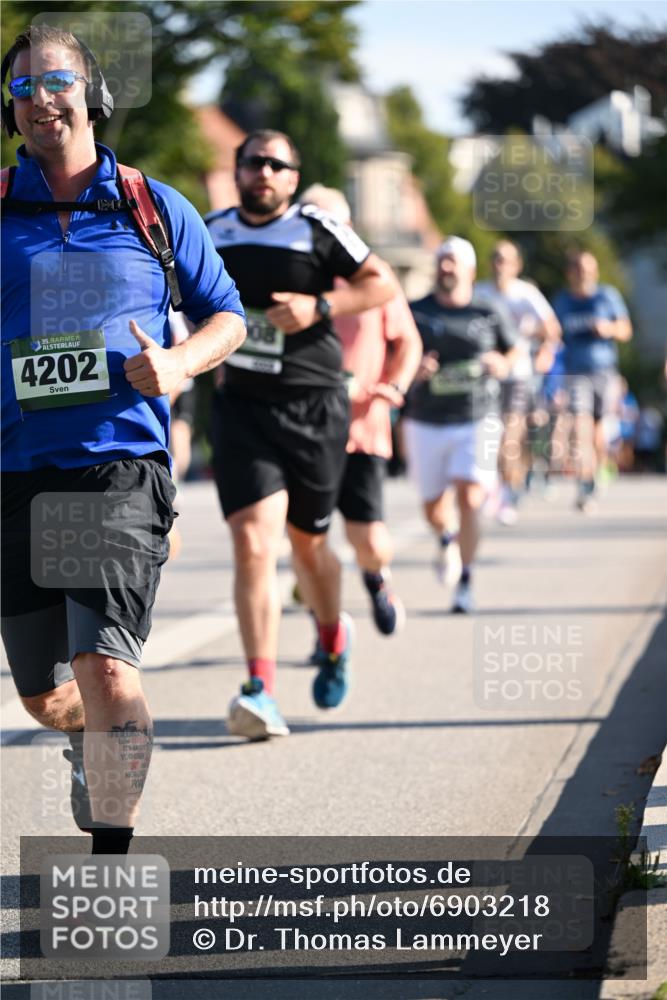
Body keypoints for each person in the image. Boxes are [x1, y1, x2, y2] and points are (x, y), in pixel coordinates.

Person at [0, 25, 245, 852]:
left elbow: (228, 317)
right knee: (46, 693)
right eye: (23, 88)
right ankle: (79, 738)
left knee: (105, 664)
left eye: (55, 81)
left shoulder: (153, 207)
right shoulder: (0, 205)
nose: (41, 100)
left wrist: (179, 363)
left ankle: (110, 861)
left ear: (91, 92)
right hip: (14, 469)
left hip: (116, 465)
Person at [205, 131, 396, 740]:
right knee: (254, 542)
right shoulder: (209, 231)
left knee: (309, 547)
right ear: (235, 172)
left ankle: (333, 637)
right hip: (242, 408)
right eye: (251, 162)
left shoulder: (316, 227)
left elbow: (382, 283)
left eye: (275, 164)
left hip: (315, 407)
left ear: (293, 175)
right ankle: (259, 687)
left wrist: (319, 306)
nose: (262, 171)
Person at [298, 184, 422, 637]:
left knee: (368, 540)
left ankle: (375, 577)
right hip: (303, 428)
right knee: (306, 544)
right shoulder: (294, 276)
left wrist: (395, 383)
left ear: (347, 227)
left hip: (362, 426)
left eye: (328, 223)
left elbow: (407, 341)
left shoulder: (375, 276)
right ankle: (324, 630)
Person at [404, 237, 519, 613]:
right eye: (442, 261)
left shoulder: (488, 310)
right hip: (426, 418)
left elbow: (512, 349)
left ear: (469, 270)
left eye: (453, 262)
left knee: (470, 496)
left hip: (478, 417)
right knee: (432, 507)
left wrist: (502, 364)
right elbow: (397, 352)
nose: (446, 268)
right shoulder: (416, 310)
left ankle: (466, 581)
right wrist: (415, 369)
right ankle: (445, 537)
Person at [475, 240, 560, 525]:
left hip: (518, 375)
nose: (500, 265)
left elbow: (552, 329)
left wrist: (544, 350)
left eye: (506, 260)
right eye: (496, 258)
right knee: (491, 437)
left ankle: (509, 492)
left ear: (516, 266)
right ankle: (501, 488)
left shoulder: (526, 294)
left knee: (511, 436)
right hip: (487, 376)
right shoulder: (480, 293)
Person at [552, 250, 632, 512]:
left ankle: (596, 472)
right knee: (580, 426)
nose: (582, 273)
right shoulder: (562, 301)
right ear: (570, 273)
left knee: (599, 435)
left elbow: (626, 330)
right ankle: (584, 484)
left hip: (604, 372)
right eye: (577, 268)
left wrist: (608, 328)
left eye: (587, 268)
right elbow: (553, 333)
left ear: (594, 272)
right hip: (575, 374)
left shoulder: (606, 296)